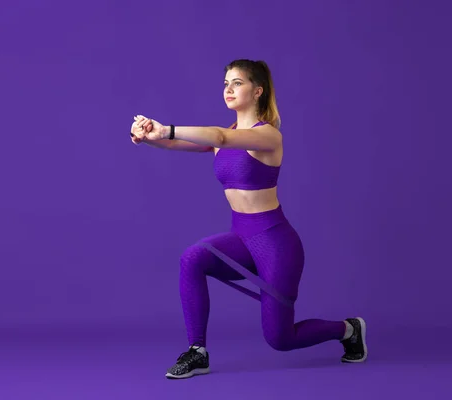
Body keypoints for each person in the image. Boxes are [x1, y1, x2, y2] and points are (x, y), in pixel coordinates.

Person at [130, 59, 367, 379]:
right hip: (240, 237)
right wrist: (148, 135)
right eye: (225, 83)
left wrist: (166, 127)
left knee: (280, 339)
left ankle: (348, 330)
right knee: (193, 258)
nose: (228, 89)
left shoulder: (268, 137)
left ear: (257, 91)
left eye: (237, 83)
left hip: (275, 242)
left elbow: (219, 138)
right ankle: (197, 351)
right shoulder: (225, 133)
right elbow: (176, 142)